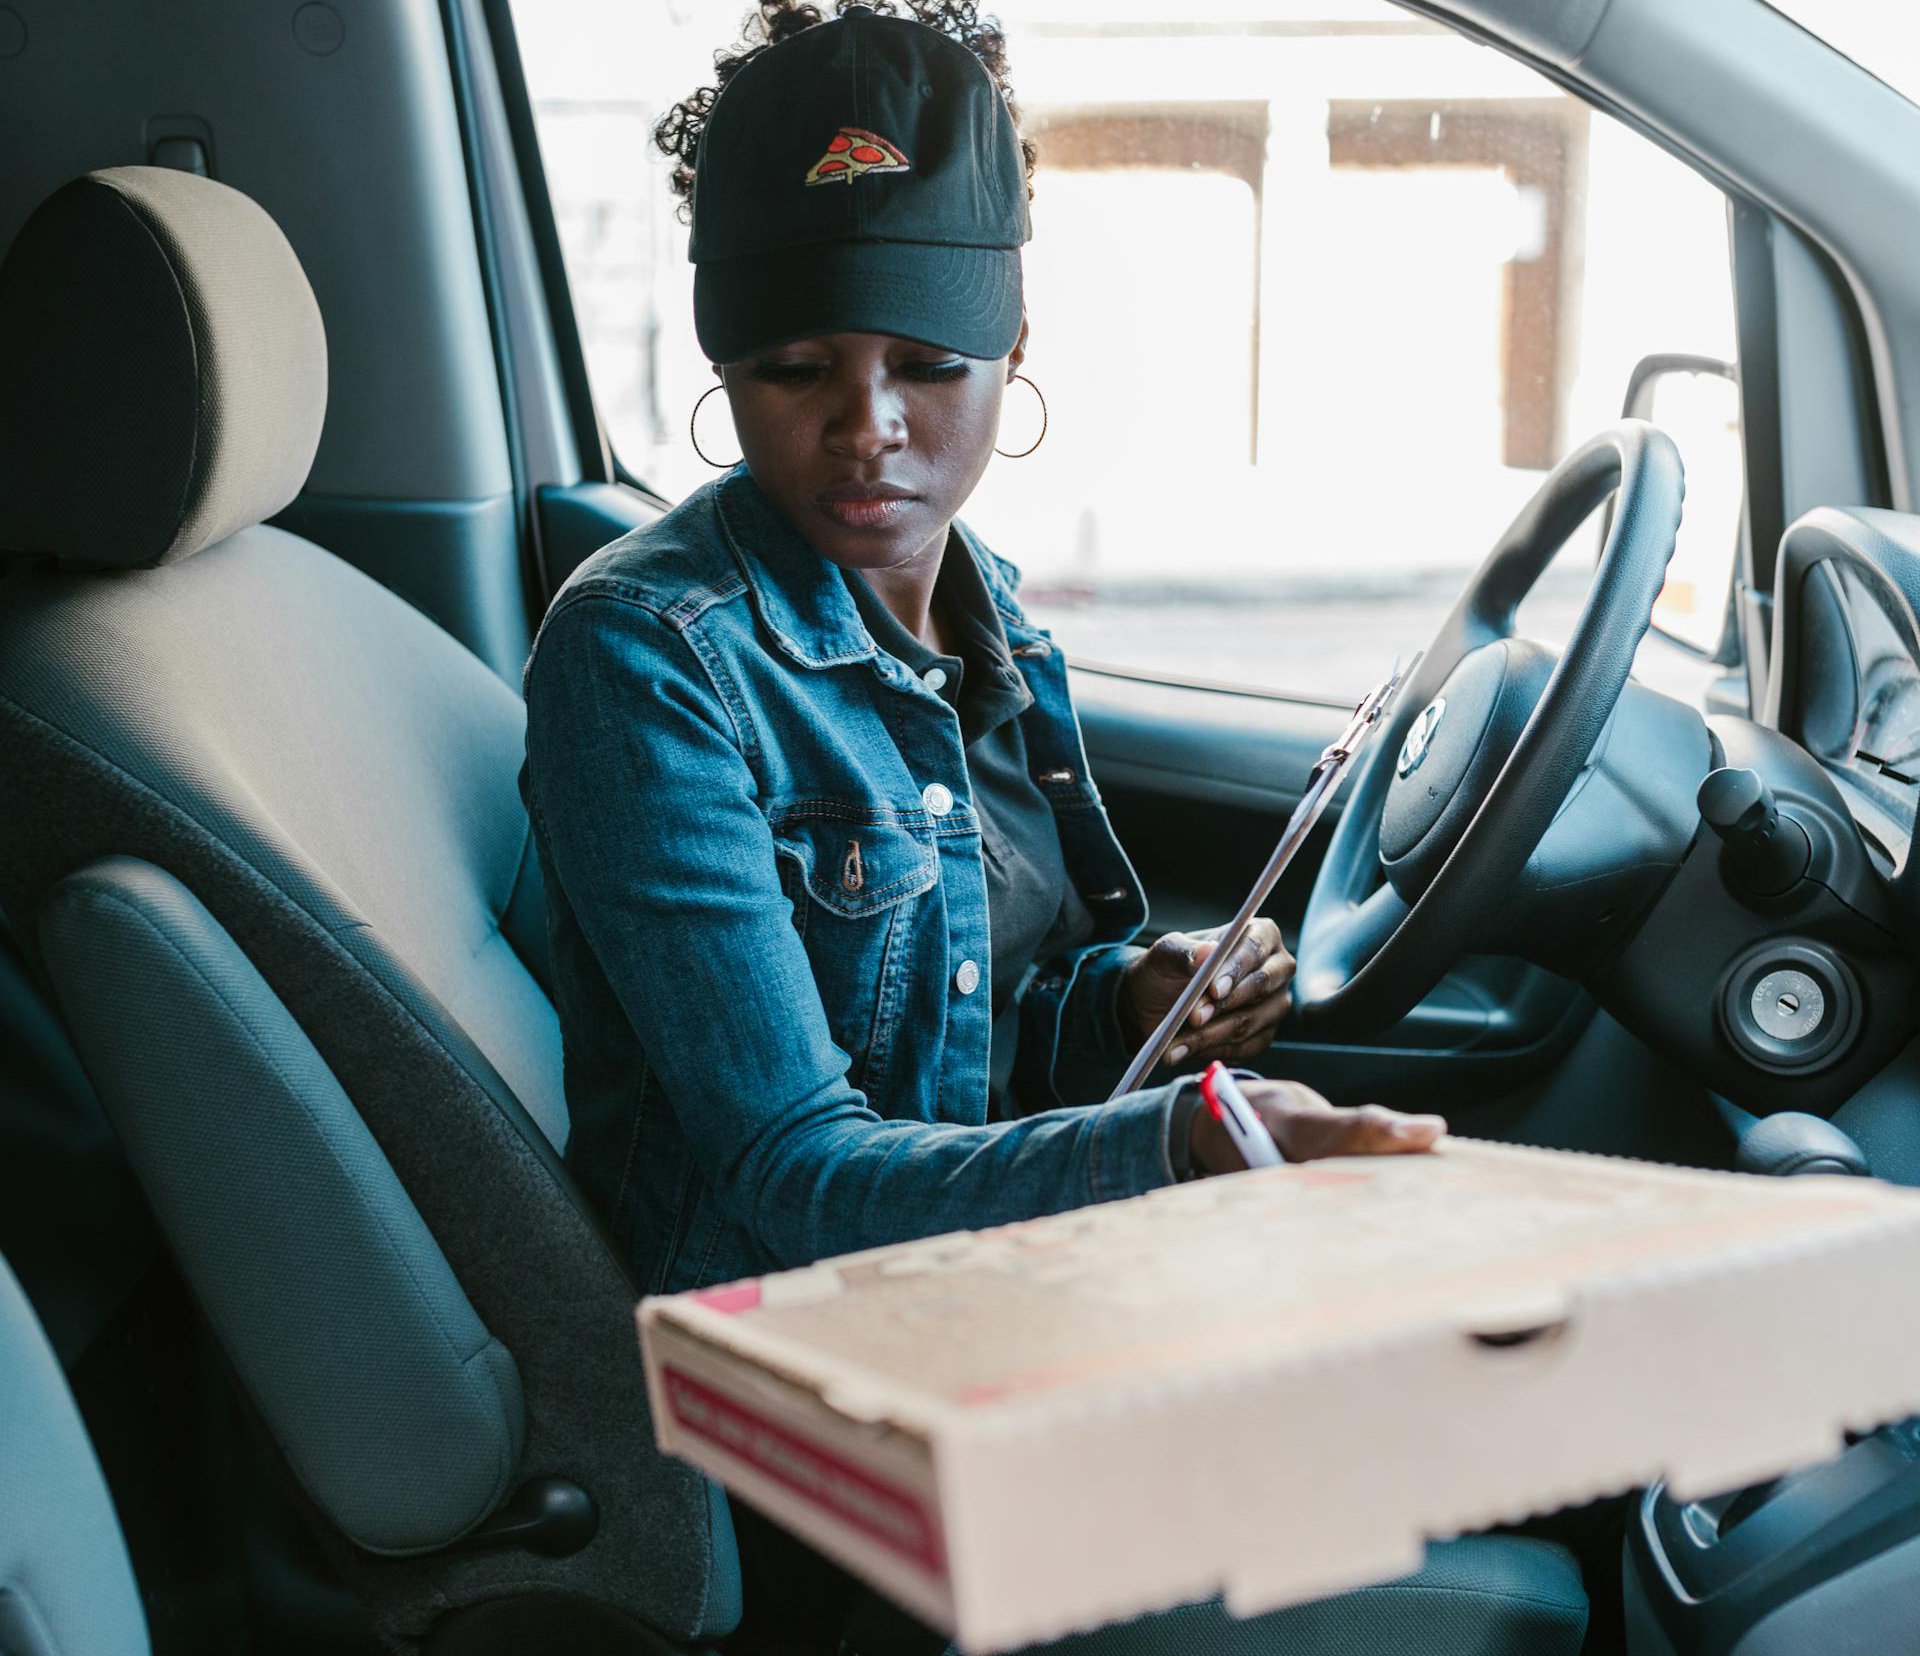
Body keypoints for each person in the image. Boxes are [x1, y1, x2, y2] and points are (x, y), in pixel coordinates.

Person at [518, 5, 1586, 1653]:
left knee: (1545, 1405)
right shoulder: (648, 657)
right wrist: (1180, 1145)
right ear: (724, 367)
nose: (867, 429)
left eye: (927, 370)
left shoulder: (989, 612)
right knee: (1519, 1569)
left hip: (985, 1299)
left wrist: (1116, 1002)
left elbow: (958, 1035)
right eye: (797, 373)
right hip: (818, 1407)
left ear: (1012, 354)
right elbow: (793, 1174)